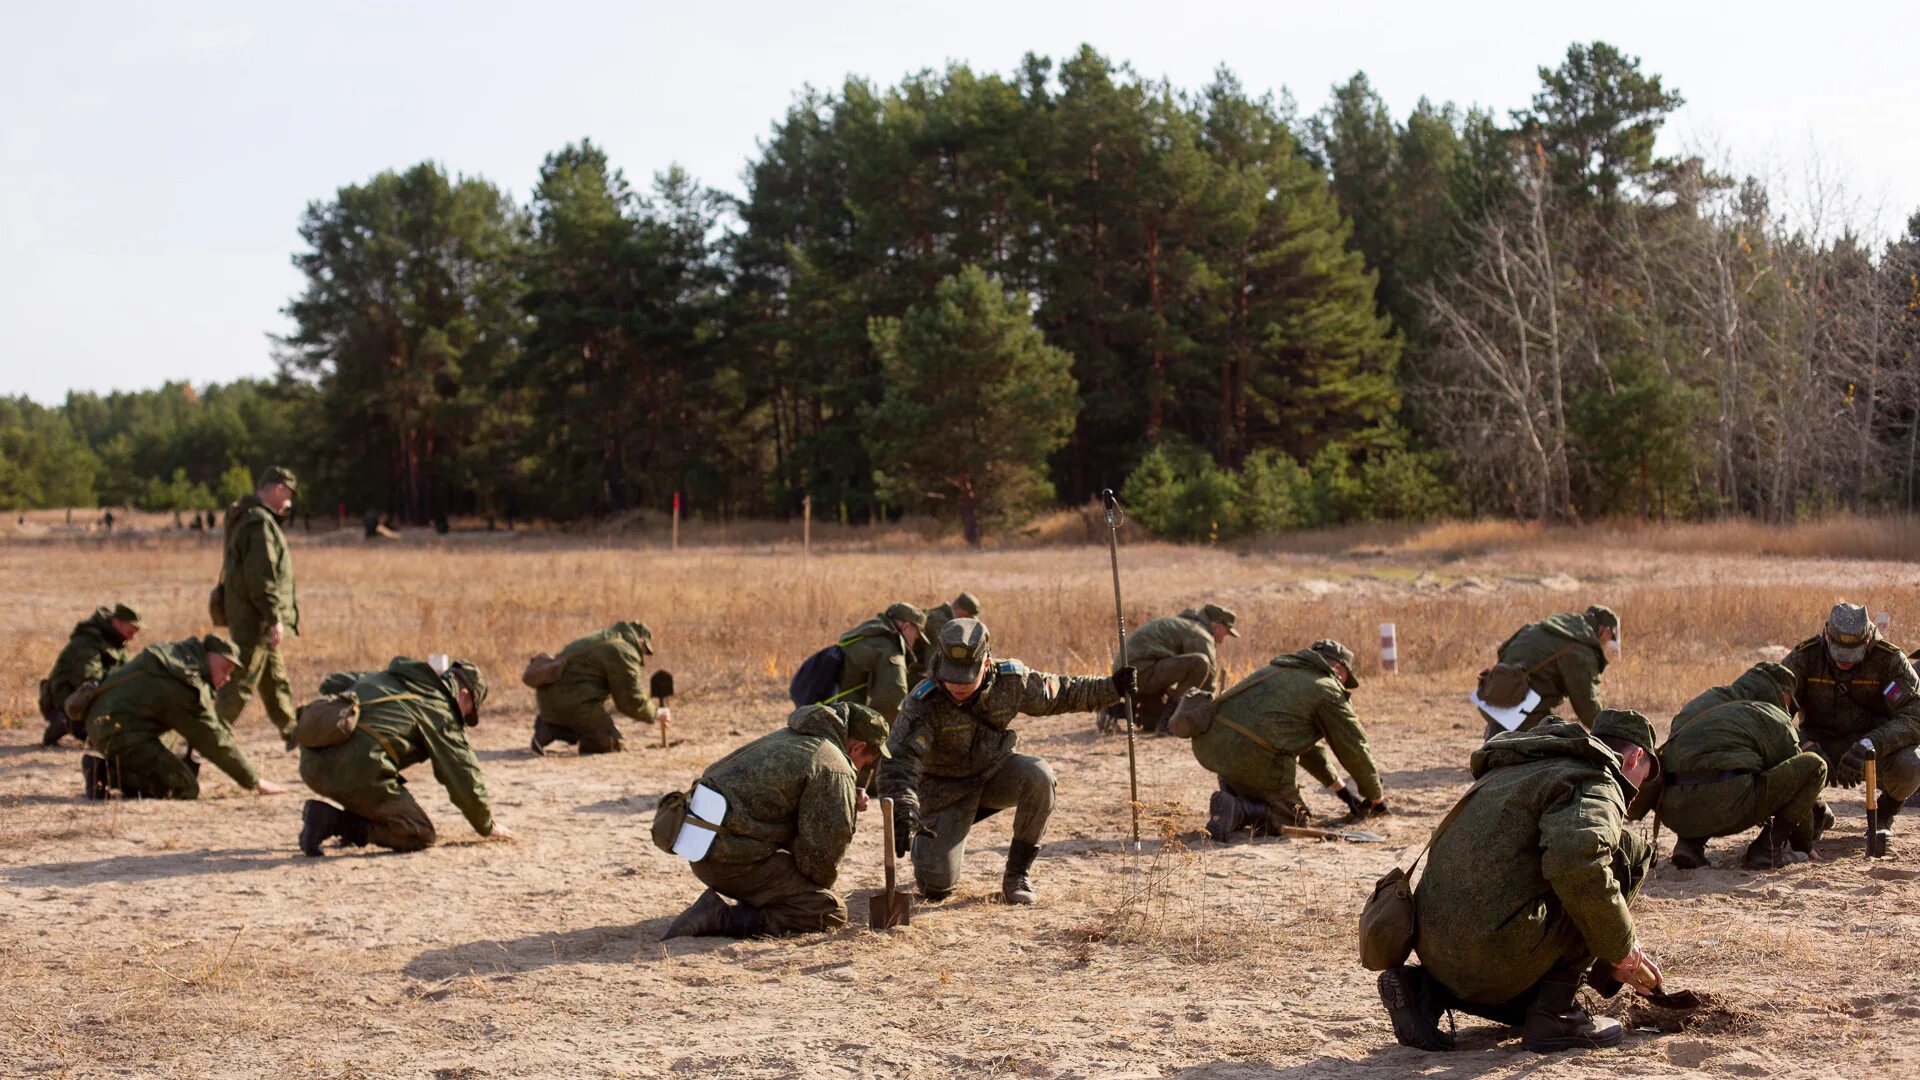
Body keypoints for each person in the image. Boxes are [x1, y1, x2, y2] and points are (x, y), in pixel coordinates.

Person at [1378, 711, 1661, 1053]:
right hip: (1493, 949)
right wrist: (1621, 948)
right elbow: (1577, 862)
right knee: (1627, 851)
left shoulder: (1519, 766)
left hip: (1435, 947)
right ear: (1636, 757)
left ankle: (1425, 990)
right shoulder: (1595, 779)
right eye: (1646, 775)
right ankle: (1555, 1013)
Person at [879, 617, 1133, 904]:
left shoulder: (1011, 681)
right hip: (943, 793)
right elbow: (898, 761)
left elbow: (1061, 692)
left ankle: (1017, 875)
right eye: (951, 676)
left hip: (995, 775)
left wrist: (1112, 687)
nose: (957, 685)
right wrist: (904, 805)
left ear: (986, 664)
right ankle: (935, 841)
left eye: (966, 677)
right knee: (936, 886)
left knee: (1039, 776)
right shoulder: (923, 702)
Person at [661, 702, 891, 939]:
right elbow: (820, 864)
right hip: (726, 859)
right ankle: (719, 917)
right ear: (857, 748)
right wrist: (841, 805)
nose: (861, 769)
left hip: (704, 845)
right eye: (865, 762)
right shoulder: (833, 766)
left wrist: (844, 798)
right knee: (828, 911)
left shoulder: (800, 737)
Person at [297, 658, 511, 855]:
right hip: (353, 775)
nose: (464, 720)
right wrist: (486, 825)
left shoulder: (390, 677)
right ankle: (336, 823)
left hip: (311, 764)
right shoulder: (441, 710)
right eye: (469, 710)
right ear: (464, 695)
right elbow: (463, 774)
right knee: (419, 833)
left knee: (370, 769)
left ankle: (344, 820)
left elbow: (331, 683)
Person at [1196, 639, 1388, 841]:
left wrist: (1345, 795)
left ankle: (1237, 793)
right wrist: (1376, 796)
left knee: (1256, 767)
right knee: (1296, 819)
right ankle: (1240, 807)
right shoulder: (1326, 689)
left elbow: (1310, 751)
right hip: (1252, 757)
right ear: (1339, 668)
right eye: (1345, 678)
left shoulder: (1280, 672)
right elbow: (1354, 747)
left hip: (1214, 750)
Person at [1660, 662, 1828, 870]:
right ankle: (1768, 850)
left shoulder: (1705, 700)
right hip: (1728, 802)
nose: (1789, 709)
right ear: (1780, 692)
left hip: (1673, 808)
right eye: (1789, 703)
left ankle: (1688, 845)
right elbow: (1798, 777)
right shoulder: (1770, 714)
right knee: (1814, 766)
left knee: (1704, 771)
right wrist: (1804, 842)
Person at [1781, 602, 1920, 851]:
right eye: (1839, 652)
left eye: (1853, 653)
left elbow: (1914, 716)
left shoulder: (1890, 660)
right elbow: (1773, 712)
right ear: (1826, 635)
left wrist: (1871, 744)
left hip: (1875, 748)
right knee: (1776, 759)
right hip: (1818, 746)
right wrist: (1804, 743)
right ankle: (1816, 811)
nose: (1845, 663)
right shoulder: (1805, 657)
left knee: (1912, 764)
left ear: (1867, 640)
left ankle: (1885, 815)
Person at [80, 633, 285, 801]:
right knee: (183, 787)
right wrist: (254, 780)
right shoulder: (186, 685)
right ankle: (108, 775)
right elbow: (212, 739)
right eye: (225, 669)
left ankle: (117, 768)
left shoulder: (183, 658)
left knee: (170, 742)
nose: (227, 677)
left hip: (105, 721)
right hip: (116, 731)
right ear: (210, 657)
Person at [215, 466, 301, 746]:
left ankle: (295, 734)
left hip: (255, 618)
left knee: (275, 680)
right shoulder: (259, 524)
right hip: (256, 621)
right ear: (278, 489)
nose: (289, 502)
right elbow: (262, 578)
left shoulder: (252, 519)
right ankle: (208, 734)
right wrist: (273, 617)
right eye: (288, 494)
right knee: (240, 682)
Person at [1477, 605, 1620, 737]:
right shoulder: (1580, 649)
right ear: (1604, 631)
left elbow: (1502, 651)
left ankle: (1498, 732)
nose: (1607, 643)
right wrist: (1612, 734)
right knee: (1561, 744)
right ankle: (1506, 736)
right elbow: (1587, 707)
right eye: (1610, 638)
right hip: (1520, 712)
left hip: (1489, 699)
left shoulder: (1546, 627)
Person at [529, 621, 668, 755]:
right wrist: (656, 712)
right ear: (642, 641)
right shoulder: (624, 651)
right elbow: (629, 700)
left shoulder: (606, 638)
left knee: (596, 723)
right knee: (610, 743)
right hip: (571, 701)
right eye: (645, 650)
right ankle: (553, 728)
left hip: (549, 700)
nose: (644, 654)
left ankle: (551, 725)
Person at [1105, 603, 1239, 735]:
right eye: (1225, 633)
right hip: (1141, 674)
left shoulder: (1180, 624)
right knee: (1200, 663)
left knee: (1153, 719)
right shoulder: (1200, 633)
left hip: (1125, 677)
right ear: (1217, 626)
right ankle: (1167, 725)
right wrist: (1213, 710)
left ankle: (1113, 711)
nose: (1222, 640)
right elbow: (1208, 681)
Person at [40, 603, 141, 747]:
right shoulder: (86, 641)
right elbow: (89, 680)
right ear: (116, 623)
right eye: (131, 631)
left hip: (92, 701)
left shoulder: (116, 641)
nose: (132, 638)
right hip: (67, 701)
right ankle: (64, 721)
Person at [830, 603, 926, 723]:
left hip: (827, 715)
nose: (914, 642)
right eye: (916, 636)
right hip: (849, 725)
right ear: (906, 627)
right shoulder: (891, 651)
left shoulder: (862, 637)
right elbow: (890, 704)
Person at [911, 592, 981, 682]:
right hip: (911, 672)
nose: (968, 621)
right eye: (968, 617)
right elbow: (933, 664)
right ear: (962, 611)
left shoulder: (942, 616)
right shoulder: (940, 623)